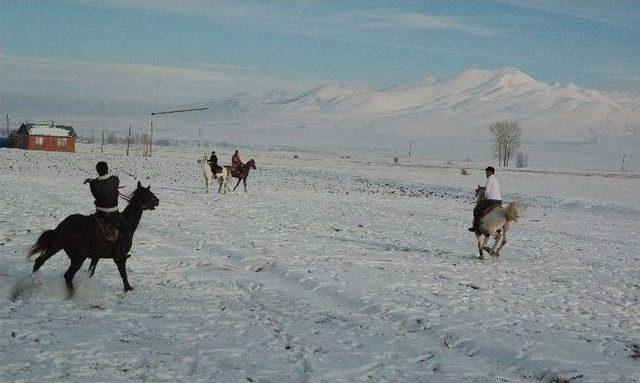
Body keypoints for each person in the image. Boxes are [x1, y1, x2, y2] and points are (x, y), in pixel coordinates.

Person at [83, 161, 131, 259]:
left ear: (97, 171)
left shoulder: (94, 184)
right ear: (107, 169)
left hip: (100, 213)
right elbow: (108, 181)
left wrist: (91, 181)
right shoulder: (115, 180)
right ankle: (121, 253)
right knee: (126, 229)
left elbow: (98, 185)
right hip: (113, 213)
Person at [469, 166, 502, 233]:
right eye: (486, 172)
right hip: (499, 200)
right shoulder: (496, 180)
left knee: (476, 209)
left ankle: (475, 227)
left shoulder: (489, 179)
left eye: (487, 172)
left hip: (491, 200)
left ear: (490, 172)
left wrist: (485, 198)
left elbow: (487, 191)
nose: (486, 174)